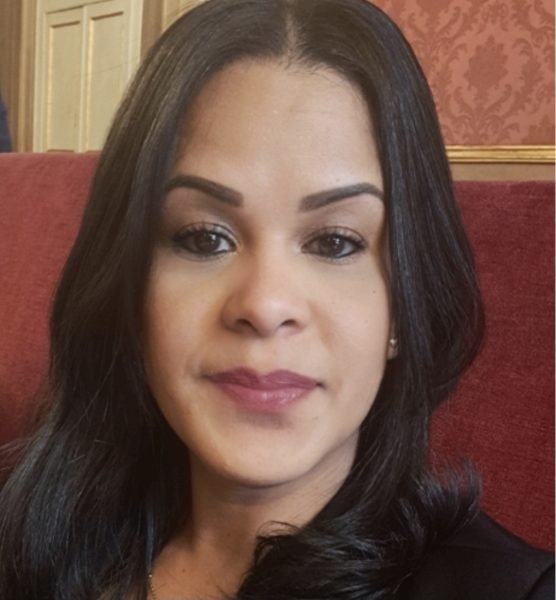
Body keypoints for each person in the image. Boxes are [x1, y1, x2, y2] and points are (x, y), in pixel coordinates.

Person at [0, 1, 553, 598]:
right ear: (130, 286)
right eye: (204, 237)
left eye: (335, 242)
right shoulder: (32, 530)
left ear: (403, 302)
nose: (264, 305)